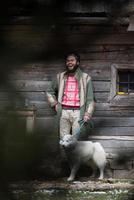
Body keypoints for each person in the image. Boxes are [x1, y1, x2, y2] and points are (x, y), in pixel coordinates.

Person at [46, 53, 95, 139]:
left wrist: (88, 113)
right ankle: (62, 153)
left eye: (72, 60)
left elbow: (90, 98)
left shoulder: (86, 78)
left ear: (78, 62)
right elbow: (49, 91)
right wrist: (55, 104)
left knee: (76, 139)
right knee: (63, 139)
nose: (69, 62)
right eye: (68, 61)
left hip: (79, 113)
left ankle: (74, 153)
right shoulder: (60, 77)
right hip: (63, 112)